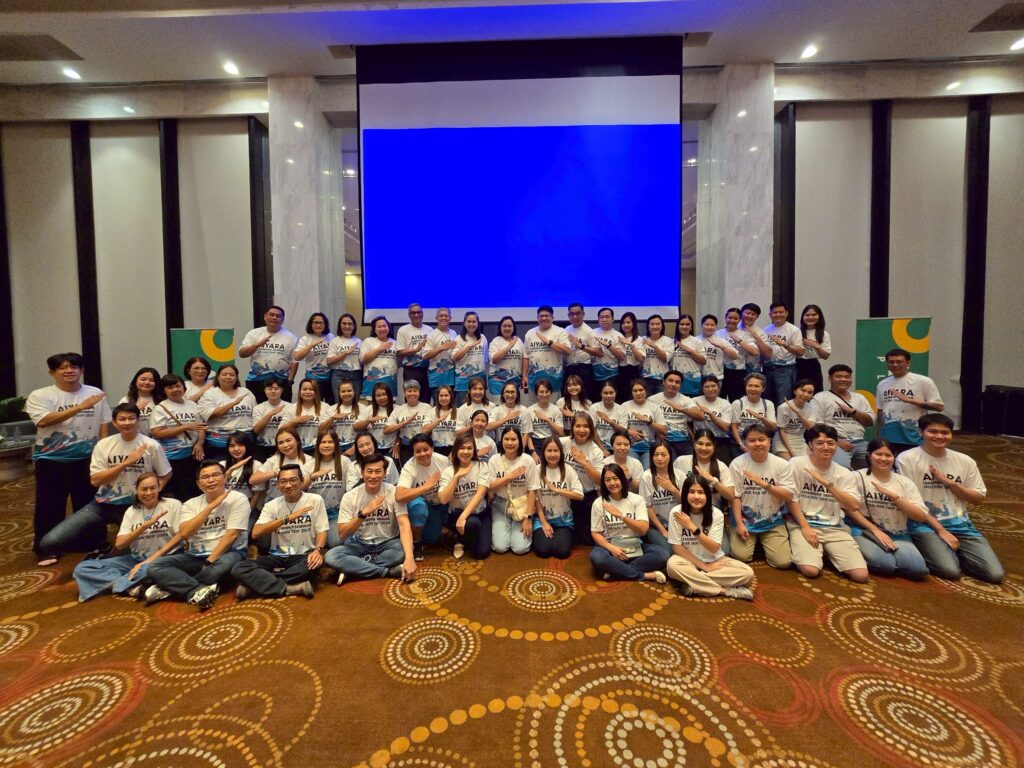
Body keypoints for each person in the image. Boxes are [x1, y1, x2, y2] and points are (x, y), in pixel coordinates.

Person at [38, 403, 172, 565]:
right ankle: (103, 548)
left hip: (134, 507)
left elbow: (166, 474)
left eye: (131, 418)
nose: (127, 422)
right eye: (122, 419)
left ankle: (108, 553)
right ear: (114, 422)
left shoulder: (151, 445)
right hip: (102, 505)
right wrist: (126, 463)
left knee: (133, 554)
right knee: (49, 542)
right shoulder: (103, 445)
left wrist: (151, 497)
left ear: (138, 421)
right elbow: (95, 481)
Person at [897, 414, 1003, 583]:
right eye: (932, 431)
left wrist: (949, 483)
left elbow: (978, 499)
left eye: (945, 432)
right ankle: (940, 549)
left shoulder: (965, 461)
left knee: (994, 574)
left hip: (961, 524)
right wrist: (941, 530)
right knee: (949, 570)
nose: (939, 436)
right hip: (923, 523)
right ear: (921, 432)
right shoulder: (907, 459)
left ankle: (951, 550)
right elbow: (910, 503)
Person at [27, 352, 112, 560]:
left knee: (88, 504)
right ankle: (47, 548)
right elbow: (43, 421)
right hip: (51, 460)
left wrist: (101, 452)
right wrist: (81, 407)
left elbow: (104, 423)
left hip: (87, 459)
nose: (69, 370)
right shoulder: (41, 395)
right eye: (63, 367)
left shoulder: (95, 393)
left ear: (81, 370)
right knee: (50, 505)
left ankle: (90, 543)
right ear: (52, 372)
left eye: (74, 367)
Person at [145, 460, 250, 610]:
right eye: (205, 477)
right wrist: (210, 507)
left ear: (225, 477)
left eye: (215, 475)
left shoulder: (238, 498)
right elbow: (185, 533)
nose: (211, 480)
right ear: (198, 484)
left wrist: (209, 562)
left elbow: (232, 535)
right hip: (195, 556)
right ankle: (197, 590)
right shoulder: (190, 504)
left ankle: (171, 588)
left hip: (228, 553)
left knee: (223, 567)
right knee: (155, 566)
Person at [72, 473, 181, 601]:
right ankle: (134, 586)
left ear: (159, 488)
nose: (148, 492)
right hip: (136, 560)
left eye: (153, 488)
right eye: (144, 489)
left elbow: (180, 536)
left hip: (165, 558)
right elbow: (120, 544)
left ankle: (128, 583)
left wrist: (149, 561)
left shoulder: (173, 505)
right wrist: (143, 527)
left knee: (152, 569)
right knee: (82, 568)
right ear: (137, 490)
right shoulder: (131, 511)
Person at [788, 424, 875, 583]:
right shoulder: (796, 464)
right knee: (810, 570)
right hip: (803, 524)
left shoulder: (844, 473)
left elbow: (854, 505)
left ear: (836, 445)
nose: (826, 447)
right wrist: (805, 527)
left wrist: (828, 485)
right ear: (810, 444)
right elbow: (791, 499)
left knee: (861, 575)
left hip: (835, 527)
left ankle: (827, 551)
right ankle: (817, 553)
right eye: (820, 443)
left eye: (830, 443)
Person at [232, 464, 327, 600]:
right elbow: (256, 533)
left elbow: (322, 529)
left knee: (314, 565)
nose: (288, 485)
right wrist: (287, 518)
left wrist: (318, 550)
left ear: (301, 481)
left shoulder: (315, 500)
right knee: (239, 568)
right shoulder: (271, 505)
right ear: (277, 485)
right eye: (283, 481)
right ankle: (291, 588)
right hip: (277, 556)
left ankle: (256, 585)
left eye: (293, 480)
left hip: (303, 556)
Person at [326, 453, 416, 584]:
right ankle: (387, 572)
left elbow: (404, 524)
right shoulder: (350, 496)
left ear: (385, 473)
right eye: (369, 471)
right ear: (362, 472)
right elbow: (342, 533)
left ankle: (353, 570)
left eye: (378, 471)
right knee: (331, 556)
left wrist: (409, 558)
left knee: (404, 550)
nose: (373, 476)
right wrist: (363, 513)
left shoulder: (394, 493)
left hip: (388, 543)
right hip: (359, 544)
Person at [852, 439, 931, 580]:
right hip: (864, 531)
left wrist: (896, 498)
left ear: (894, 457)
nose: (883, 459)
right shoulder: (857, 477)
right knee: (885, 566)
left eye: (888, 455)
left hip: (897, 533)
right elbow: (849, 509)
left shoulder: (905, 482)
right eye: (878, 454)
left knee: (918, 570)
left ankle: (894, 558)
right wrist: (875, 530)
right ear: (869, 455)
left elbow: (920, 516)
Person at [666, 476, 755, 599]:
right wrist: (704, 567)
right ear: (685, 494)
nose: (696, 496)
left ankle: (691, 582)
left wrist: (692, 527)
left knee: (747, 573)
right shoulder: (676, 512)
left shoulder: (716, 514)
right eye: (691, 492)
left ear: (707, 495)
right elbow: (677, 547)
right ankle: (724, 591)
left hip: (714, 560)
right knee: (672, 566)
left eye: (701, 492)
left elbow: (713, 548)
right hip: (688, 560)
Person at [727, 424, 798, 570]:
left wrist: (764, 484)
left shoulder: (782, 464)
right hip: (745, 519)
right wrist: (739, 523)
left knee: (783, 562)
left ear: (769, 441)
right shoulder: (737, 464)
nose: (757, 444)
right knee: (741, 557)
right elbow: (735, 497)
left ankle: (764, 540)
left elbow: (788, 495)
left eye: (761, 439)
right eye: (752, 440)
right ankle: (747, 537)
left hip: (772, 520)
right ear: (745, 443)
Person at [589, 464, 668, 583]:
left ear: (622, 479)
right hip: (610, 545)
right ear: (603, 483)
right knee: (597, 558)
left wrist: (621, 516)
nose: (612, 483)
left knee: (663, 555)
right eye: (607, 480)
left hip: (634, 544)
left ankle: (615, 570)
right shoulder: (598, 503)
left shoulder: (637, 499)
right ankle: (644, 575)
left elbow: (643, 530)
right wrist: (612, 548)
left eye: (615, 478)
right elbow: (596, 533)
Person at [875, 348, 944, 454]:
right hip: (889, 438)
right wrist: (878, 437)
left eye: (899, 362)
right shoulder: (882, 384)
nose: (895, 365)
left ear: (908, 363)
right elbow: (880, 412)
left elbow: (939, 407)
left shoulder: (923, 381)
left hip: (914, 436)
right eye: (891, 362)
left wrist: (910, 400)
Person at [150, 373, 205, 501]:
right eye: (170, 387)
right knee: (171, 494)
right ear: (163, 390)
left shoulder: (192, 405)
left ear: (183, 387)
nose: (175, 390)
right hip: (169, 459)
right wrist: (185, 427)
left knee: (191, 492)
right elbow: (157, 432)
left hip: (191, 457)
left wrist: (200, 443)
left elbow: (201, 427)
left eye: (178, 386)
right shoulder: (161, 408)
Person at [395, 433, 449, 561]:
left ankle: (438, 529)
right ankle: (416, 542)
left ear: (432, 448)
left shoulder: (443, 461)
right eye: (418, 451)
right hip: (421, 503)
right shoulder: (410, 467)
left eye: (426, 449)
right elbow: (399, 495)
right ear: (413, 453)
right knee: (418, 506)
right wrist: (425, 487)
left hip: (440, 504)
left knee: (431, 539)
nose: (423, 454)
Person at [488, 427, 540, 555]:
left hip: (523, 506)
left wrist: (528, 518)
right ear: (501, 440)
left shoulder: (527, 460)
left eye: (513, 439)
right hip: (501, 506)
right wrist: (509, 477)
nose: (509, 443)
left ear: (519, 441)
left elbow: (533, 490)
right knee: (500, 547)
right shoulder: (494, 460)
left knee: (520, 549)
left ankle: (520, 528)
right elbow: (490, 486)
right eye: (506, 439)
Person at [811, 364, 875, 469]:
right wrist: (836, 441)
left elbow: (870, 422)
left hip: (860, 441)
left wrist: (853, 412)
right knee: (842, 468)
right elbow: (816, 425)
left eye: (847, 377)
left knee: (878, 465)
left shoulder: (859, 398)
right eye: (839, 376)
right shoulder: (821, 397)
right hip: (835, 442)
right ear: (830, 378)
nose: (843, 379)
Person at [439, 435, 492, 559]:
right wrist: (456, 477)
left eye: (469, 448)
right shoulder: (448, 472)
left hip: (480, 512)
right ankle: (459, 539)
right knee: (471, 524)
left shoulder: (481, 466)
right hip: (456, 514)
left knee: (482, 553)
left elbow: (480, 494)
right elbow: (443, 499)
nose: (466, 452)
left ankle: (462, 538)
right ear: (456, 450)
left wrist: (463, 517)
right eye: (462, 448)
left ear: (474, 450)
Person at [533, 437, 584, 559]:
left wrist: (557, 490)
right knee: (543, 550)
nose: (553, 454)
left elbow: (580, 495)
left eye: (556, 450)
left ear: (561, 452)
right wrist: (544, 522)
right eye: (549, 451)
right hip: (542, 518)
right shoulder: (537, 470)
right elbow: (535, 499)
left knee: (561, 552)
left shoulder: (568, 470)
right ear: (543, 452)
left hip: (563, 521)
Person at [560, 412, 605, 546]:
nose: (582, 430)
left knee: (587, 541)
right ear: (572, 427)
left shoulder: (596, 451)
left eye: (586, 426)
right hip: (566, 494)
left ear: (591, 429)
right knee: (570, 539)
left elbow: (599, 480)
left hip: (587, 496)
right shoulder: (564, 442)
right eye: (578, 426)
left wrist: (584, 462)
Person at [238, 305, 298, 402]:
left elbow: (294, 361)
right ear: (265, 316)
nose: (274, 318)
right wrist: (257, 345)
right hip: (256, 380)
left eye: (278, 316)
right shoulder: (253, 333)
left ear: (282, 319)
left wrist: (290, 380)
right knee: (256, 409)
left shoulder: (291, 337)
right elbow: (242, 354)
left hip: (281, 381)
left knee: (283, 410)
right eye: (271, 315)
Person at [197, 364, 256, 461]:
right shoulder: (210, 394)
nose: (228, 377)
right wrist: (233, 404)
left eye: (232, 375)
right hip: (219, 444)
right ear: (218, 377)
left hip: (245, 441)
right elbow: (209, 414)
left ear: (236, 377)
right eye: (224, 374)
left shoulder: (246, 392)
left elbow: (255, 415)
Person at [674, 428, 736, 518]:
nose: (704, 448)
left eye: (708, 444)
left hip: (713, 513)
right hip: (686, 512)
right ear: (694, 443)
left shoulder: (721, 466)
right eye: (700, 443)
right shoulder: (681, 461)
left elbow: (730, 495)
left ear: (714, 446)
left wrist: (713, 481)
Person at [307, 430, 353, 549]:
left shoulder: (345, 462)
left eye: (330, 442)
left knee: (336, 542)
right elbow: (300, 489)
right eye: (323, 442)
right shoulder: (309, 465)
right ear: (318, 445)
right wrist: (312, 477)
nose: (326, 445)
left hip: (335, 513)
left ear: (336, 444)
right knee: (307, 544)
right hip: (314, 514)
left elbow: (351, 489)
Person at [249, 426, 314, 504]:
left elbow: (302, 487)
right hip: (273, 504)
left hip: (299, 504)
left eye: (288, 440)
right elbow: (252, 480)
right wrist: (275, 473)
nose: (285, 445)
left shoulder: (309, 460)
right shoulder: (274, 460)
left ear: (297, 441)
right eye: (280, 443)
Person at [649, 370, 703, 458]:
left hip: (683, 440)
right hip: (664, 440)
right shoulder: (652, 400)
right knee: (672, 463)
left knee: (691, 463)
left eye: (677, 382)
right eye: (670, 381)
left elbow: (700, 416)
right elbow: (648, 419)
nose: (673, 384)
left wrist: (682, 410)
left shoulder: (685, 400)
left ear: (680, 385)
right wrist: (657, 433)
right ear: (663, 382)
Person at [639, 440, 681, 551]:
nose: (659, 458)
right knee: (670, 550)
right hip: (656, 525)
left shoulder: (679, 475)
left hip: (678, 522)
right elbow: (648, 508)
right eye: (656, 454)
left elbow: (685, 504)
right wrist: (663, 531)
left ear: (670, 456)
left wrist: (673, 489)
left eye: (663, 454)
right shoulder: (646, 477)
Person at [761, 302, 804, 405]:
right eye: (775, 312)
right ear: (770, 315)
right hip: (767, 369)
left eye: (781, 312)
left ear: (786, 313)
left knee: (783, 401)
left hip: (785, 370)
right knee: (767, 400)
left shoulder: (794, 330)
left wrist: (784, 344)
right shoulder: (766, 330)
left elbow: (800, 352)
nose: (778, 315)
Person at [385, 379, 435, 464]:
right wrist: (404, 423)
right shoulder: (399, 409)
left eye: (415, 391)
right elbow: (386, 430)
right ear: (404, 393)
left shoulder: (427, 407)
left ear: (419, 393)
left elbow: (432, 429)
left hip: (424, 447)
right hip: (406, 448)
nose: (412, 393)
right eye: (409, 391)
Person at [525, 305, 571, 395]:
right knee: (534, 403)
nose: (544, 318)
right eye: (541, 316)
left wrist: (549, 343)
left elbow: (567, 350)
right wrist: (524, 375)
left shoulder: (560, 331)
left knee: (553, 403)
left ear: (552, 318)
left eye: (547, 316)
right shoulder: (530, 333)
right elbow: (526, 356)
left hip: (554, 380)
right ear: (537, 318)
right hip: (534, 380)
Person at [729, 373, 777, 460]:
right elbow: (734, 427)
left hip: (760, 442)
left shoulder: (768, 404)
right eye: (750, 386)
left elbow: (773, 427)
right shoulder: (738, 403)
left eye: (756, 386)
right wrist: (741, 445)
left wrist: (762, 418)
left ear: (763, 389)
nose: (753, 389)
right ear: (746, 387)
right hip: (740, 443)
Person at [623, 378, 667, 470]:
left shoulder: (654, 407)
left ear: (646, 391)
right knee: (633, 470)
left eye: (641, 390)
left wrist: (648, 421)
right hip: (630, 446)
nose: (638, 393)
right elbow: (619, 427)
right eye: (635, 391)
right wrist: (628, 431)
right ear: (631, 392)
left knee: (647, 471)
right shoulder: (625, 406)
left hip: (649, 447)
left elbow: (664, 430)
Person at [716, 308, 759, 401]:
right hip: (720, 371)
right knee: (720, 400)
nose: (732, 320)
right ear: (725, 318)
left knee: (736, 400)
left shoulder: (744, 335)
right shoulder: (718, 334)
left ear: (739, 320)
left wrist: (739, 341)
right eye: (730, 318)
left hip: (737, 372)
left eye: (735, 318)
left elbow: (755, 352)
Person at [293, 312, 335, 404]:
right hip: (313, 379)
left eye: (321, 323)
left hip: (330, 377)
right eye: (315, 322)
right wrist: (311, 345)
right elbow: (297, 356)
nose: (318, 325)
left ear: (325, 324)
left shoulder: (330, 337)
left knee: (331, 405)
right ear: (311, 324)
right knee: (316, 405)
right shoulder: (305, 339)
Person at [690, 375, 733, 462]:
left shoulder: (725, 404)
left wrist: (710, 413)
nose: (710, 389)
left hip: (719, 440)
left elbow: (725, 427)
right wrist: (692, 436)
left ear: (718, 387)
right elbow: (685, 422)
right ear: (702, 389)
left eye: (713, 386)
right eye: (706, 387)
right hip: (700, 439)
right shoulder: (694, 401)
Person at [564, 303, 601, 401]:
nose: (575, 316)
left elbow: (599, 352)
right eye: (572, 314)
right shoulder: (566, 329)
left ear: (583, 314)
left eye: (578, 313)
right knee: (569, 397)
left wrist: (581, 346)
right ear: (568, 315)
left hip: (584, 368)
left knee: (585, 397)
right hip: (569, 367)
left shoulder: (589, 331)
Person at [773, 379, 817, 459]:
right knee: (791, 463)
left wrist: (798, 413)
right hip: (782, 441)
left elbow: (810, 427)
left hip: (800, 439)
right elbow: (781, 431)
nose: (805, 394)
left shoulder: (811, 407)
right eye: (803, 390)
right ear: (795, 391)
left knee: (811, 462)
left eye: (810, 392)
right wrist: (792, 452)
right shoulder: (783, 407)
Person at [395, 303, 432, 400]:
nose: (416, 315)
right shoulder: (403, 330)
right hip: (411, 370)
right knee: (411, 398)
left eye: (419, 312)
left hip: (427, 370)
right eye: (413, 313)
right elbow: (399, 352)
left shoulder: (429, 329)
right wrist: (416, 349)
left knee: (425, 399)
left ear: (422, 314)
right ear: (409, 315)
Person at [488, 316, 527, 403]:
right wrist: (509, 346)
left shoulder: (519, 341)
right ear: (500, 327)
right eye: (504, 326)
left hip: (515, 381)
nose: (507, 328)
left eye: (510, 326)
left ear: (513, 327)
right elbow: (494, 360)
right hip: (497, 381)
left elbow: (524, 358)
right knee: (499, 407)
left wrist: (524, 376)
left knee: (513, 406)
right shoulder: (496, 341)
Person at [250, 378, 291, 460]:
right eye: (269, 389)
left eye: (276, 388)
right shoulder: (258, 408)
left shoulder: (290, 407)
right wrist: (270, 414)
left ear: (282, 390)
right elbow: (256, 430)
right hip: (262, 447)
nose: (273, 391)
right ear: (265, 390)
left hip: (284, 445)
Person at [422, 307, 458, 397]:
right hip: (436, 377)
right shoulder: (431, 335)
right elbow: (425, 356)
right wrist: (442, 348)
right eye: (441, 316)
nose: (443, 318)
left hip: (451, 376)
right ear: (436, 318)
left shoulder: (453, 333)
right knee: (437, 402)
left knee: (451, 402)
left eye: (446, 316)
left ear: (450, 318)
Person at [326, 313, 363, 402]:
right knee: (339, 403)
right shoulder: (335, 341)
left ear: (354, 326)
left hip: (356, 375)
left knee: (354, 403)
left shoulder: (358, 341)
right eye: (344, 323)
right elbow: (329, 361)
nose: (347, 326)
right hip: (339, 375)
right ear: (340, 325)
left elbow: (362, 360)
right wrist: (346, 353)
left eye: (350, 324)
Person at [359, 316, 398, 400]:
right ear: (374, 329)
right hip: (371, 383)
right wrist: (379, 349)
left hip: (390, 382)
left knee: (390, 406)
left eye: (384, 326)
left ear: (388, 327)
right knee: (372, 406)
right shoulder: (368, 341)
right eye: (379, 326)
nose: (382, 328)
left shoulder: (395, 343)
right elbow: (363, 360)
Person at [592, 308, 625, 403]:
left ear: (613, 319)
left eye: (607, 317)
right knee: (596, 403)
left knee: (612, 402)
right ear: (598, 319)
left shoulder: (618, 335)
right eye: (601, 317)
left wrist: (609, 345)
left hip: (612, 375)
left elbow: (622, 357)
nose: (604, 319)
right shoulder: (592, 333)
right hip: (594, 375)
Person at [490, 381, 534, 454]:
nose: (510, 395)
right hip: (501, 445)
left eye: (512, 392)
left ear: (517, 394)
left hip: (519, 445)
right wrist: (507, 418)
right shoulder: (497, 410)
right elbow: (488, 427)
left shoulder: (524, 410)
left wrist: (521, 450)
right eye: (507, 392)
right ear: (503, 394)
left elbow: (526, 433)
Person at [285, 378, 327, 454]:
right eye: (304, 389)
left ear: (316, 392)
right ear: (300, 391)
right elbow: (281, 429)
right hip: (296, 449)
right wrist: (296, 421)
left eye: (311, 389)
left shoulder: (325, 407)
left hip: (318, 449)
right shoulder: (291, 408)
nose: (307, 392)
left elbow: (328, 430)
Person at [354, 382, 395, 457]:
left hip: (392, 449)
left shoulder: (397, 409)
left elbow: (403, 430)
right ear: (374, 397)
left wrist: (397, 443)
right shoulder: (368, 409)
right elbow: (355, 427)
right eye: (378, 395)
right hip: (372, 450)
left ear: (389, 395)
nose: (382, 398)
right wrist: (368, 421)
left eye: (384, 394)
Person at [669, 314, 706, 396]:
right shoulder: (671, 342)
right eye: (682, 324)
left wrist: (688, 349)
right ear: (678, 326)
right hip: (675, 382)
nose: (684, 326)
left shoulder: (697, 341)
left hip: (692, 382)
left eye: (687, 324)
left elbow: (703, 361)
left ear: (691, 327)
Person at [797, 304, 831, 391]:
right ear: (803, 317)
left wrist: (816, 346)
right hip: (797, 364)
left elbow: (826, 356)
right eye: (807, 315)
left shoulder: (824, 334)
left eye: (814, 315)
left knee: (815, 391)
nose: (810, 317)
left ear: (819, 316)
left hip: (813, 365)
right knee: (798, 391)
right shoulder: (796, 332)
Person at [528, 378, 565, 458]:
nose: (544, 394)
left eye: (547, 391)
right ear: (536, 394)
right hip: (535, 443)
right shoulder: (530, 410)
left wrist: (547, 419)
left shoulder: (556, 410)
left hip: (552, 441)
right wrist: (533, 452)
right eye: (541, 392)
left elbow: (560, 432)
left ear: (551, 393)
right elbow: (528, 435)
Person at [453, 311, 488, 396]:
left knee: (479, 402)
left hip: (480, 377)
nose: (471, 324)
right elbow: (455, 357)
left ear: (478, 323)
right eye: (469, 321)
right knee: (463, 403)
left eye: (474, 322)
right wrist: (469, 346)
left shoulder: (483, 338)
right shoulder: (458, 339)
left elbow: (484, 359)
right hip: (463, 380)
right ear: (464, 323)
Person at [321, 379, 359, 455]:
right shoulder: (331, 409)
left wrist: (354, 448)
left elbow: (366, 432)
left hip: (355, 448)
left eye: (349, 391)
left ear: (354, 391)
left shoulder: (363, 408)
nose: (346, 393)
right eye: (343, 391)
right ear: (339, 393)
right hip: (335, 447)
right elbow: (321, 429)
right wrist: (332, 418)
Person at [698, 314, 737, 385]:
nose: (709, 327)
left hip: (716, 377)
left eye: (712, 325)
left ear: (716, 326)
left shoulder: (721, 341)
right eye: (706, 324)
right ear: (702, 325)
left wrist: (721, 346)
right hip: (698, 377)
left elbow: (735, 356)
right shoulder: (696, 340)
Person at [119, 367, 159, 435]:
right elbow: (121, 422)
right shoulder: (125, 400)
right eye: (143, 379)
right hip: (135, 438)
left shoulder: (161, 400)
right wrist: (134, 409)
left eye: (152, 380)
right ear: (136, 381)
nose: (147, 382)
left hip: (160, 439)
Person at [589, 381, 627, 452]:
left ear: (615, 393)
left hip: (616, 445)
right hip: (598, 445)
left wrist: (609, 421)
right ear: (601, 394)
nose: (608, 396)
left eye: (611, 393)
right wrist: (602, 449)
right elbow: (592, 430)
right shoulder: (594, 408)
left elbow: (623, 431)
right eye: (605, 393)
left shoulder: (621, 409)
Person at [616, 312, 644, 402]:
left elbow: (640, 358)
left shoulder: (639, 339)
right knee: (621, 398)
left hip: (633, 371)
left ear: (633, 323)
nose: (625, 325)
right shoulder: (618, 337)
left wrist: (630, 344)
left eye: (628, 322)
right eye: (623, 323)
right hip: (619, 371)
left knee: (632, 398)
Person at [423, 384, 458, 456]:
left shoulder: (458, 412)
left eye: (446, 395)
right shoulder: (431, 412)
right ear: (437, 397)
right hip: (436, 449)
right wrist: (439, 420)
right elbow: (424, 431)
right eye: (441, 396)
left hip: (454, 448)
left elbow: (461, 434)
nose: (443, 398)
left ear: (451, 397)